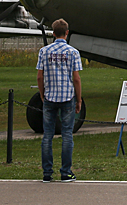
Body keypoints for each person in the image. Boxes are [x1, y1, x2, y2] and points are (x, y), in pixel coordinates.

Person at [37, 18, 82, 182]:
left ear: (53, 33)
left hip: (50, 96)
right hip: (67, 96)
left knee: (47, 135)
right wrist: (79, 99)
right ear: (67, 33)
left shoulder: (44, 51)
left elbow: (39, 76)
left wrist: (42, 94)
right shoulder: (73, 52)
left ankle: (47, 173)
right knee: (67, 135)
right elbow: (76, 78)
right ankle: (66, 172)